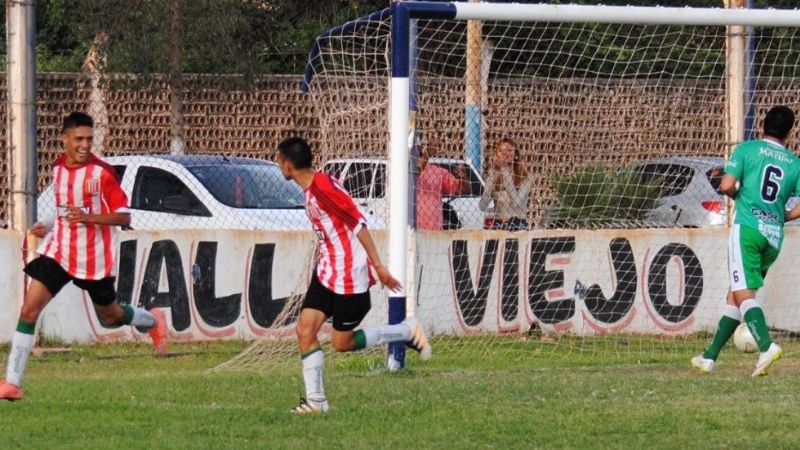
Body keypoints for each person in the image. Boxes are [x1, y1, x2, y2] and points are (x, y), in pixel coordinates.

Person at [0, 112, 168, 401]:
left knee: (112, 316)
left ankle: (152, 321)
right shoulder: (57, 169)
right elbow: (66, 208)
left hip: (94, 259)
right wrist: (49, 224)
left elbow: (124, 216)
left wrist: (91, 218)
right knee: (29, 310)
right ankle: (13, 383)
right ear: (63, 139)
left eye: (90, 139)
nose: (85, 144)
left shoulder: (102, 173)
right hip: (59, 252)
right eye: (79, 138)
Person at [275, 136, 431, 414]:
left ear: (288, 165)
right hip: (326, 272)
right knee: (304, 330)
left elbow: (358, 224)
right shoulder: (314, 188)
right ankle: (316, 402)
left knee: (341, 343)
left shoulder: (322, 189)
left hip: (348, 275)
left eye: (278, 160)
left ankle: (406, 331)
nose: (278, 165)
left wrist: (379, 266)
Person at [692, 105, 800, 377]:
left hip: (748, 229)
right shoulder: (795, 163)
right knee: (736, 292)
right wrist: (784, 216)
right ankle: (709, 357)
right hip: (773, 236)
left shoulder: (746, 150)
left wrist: (739, 196)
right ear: (789, 131)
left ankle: (766, 346)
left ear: (763, 124)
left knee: (743, 292)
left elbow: (727, 185)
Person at [479, 138, 534, 231]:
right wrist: (493, 174)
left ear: (516, 155)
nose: (505, 153)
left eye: (509, 150)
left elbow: (516, 202)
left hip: (517, 224)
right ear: (497, 154)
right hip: (498, 224)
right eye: (501, 150)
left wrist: (504, 169)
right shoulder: (494, 176)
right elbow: (482, 206)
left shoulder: (526, 177)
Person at [416, 140, 470, 230]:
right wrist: (427, 155)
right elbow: (415, 173)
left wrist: (462, 177)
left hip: (434, 230)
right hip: (408, 230)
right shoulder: (400, 173)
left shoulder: (437, 172)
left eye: (417, 149)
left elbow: (463, 190)